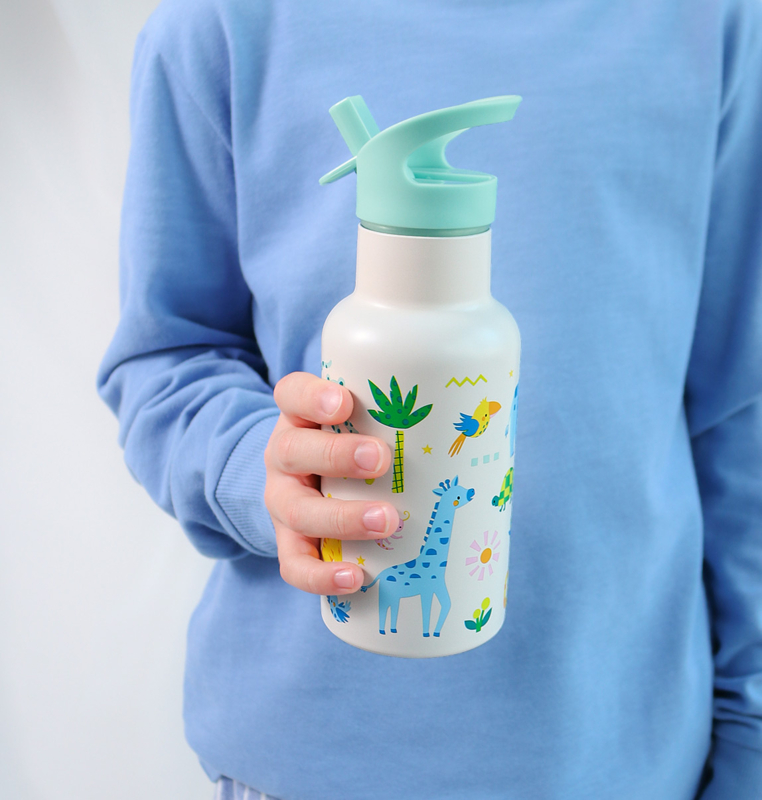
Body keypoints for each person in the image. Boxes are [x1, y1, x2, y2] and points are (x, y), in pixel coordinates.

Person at [97, 0, 762, 797]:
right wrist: (259, 471)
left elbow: (743, 408)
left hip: (623, 755)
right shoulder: (225, 23)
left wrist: (751, 738)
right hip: (311, 757)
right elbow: (166, 355)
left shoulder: (716, 23)